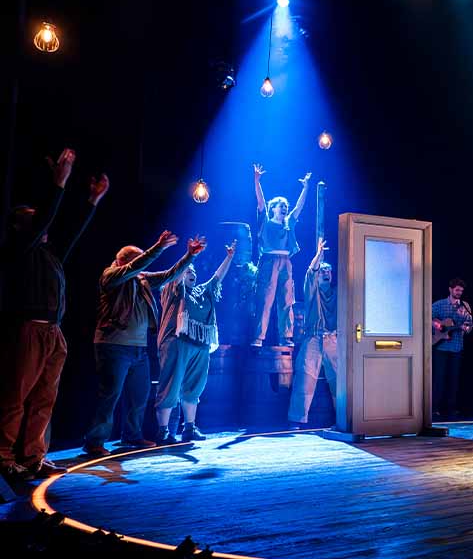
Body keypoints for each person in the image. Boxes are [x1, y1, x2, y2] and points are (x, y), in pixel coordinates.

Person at [1, 149, 106, 482]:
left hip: (53, 332)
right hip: (29, 329)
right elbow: (46, 219)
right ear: (21, 226)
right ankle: (3, 456)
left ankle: (32, 456)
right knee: (16, 396)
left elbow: (71, 231)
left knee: (45, 396)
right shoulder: (20, 250)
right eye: (35, 220)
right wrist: (58, 184)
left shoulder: (49, 253)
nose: (43, 224)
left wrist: (92, 201)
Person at [84, 231, 202, 455]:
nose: (140, 267)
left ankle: (132, 435)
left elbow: (169, 274)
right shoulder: (110, 276)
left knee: (139, 395)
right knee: (110, 395)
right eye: (135, 262)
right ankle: (94, 441)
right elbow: (134, 268)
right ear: (122, 262)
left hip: (139, 348)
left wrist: (189, 256)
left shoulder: (142, 279)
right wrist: (158, 247)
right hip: (114, 345)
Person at [155, 239, 234, 443]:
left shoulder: (201, 292)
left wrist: (229, 258)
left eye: (194, 272)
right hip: (177, 342)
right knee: (171, 385)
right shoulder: (174, 290)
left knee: (194, 387)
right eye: (189, 272)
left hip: (200, 346)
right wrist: (189, 256)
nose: (193, 274)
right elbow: (177, 273)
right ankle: (163, 430)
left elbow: (217, 278)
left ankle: (189, 428)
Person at [251, 164, 312, 347]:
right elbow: (261, 202)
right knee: (265, 299)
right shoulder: (266, 223)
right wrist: (256, 181)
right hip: (269, 261)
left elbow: (299, 207)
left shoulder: (289, 224)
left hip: (286, 262)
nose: (285, 208)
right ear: (274, 208)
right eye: (281, 206)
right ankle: (258, 337)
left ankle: (286, 336)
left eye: (286, 206)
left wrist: (306, 188)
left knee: (286, 300)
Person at [288, 238, 338, 428]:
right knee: (305, 378)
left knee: (339, 382)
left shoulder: (338, 293)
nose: (326, 273)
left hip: (334, 338)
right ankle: (296, 421)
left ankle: (342, 420)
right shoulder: (312, 290)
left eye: (329, 270)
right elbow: (310, 273)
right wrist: (319, 255)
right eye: (323, 271)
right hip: (314, 337)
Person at [432, 278, 473, 417]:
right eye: (457, 290)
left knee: (454, 379)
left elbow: (469, 326)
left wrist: (466, 328)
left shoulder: (465, 306)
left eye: (461, 291)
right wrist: (436, 324)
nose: (459, 293)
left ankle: (451, 409)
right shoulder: (439, 304)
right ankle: (434, 408)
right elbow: (427, 317)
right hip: (440, 346)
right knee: (439, 379)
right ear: (450, 289)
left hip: (457, 346)